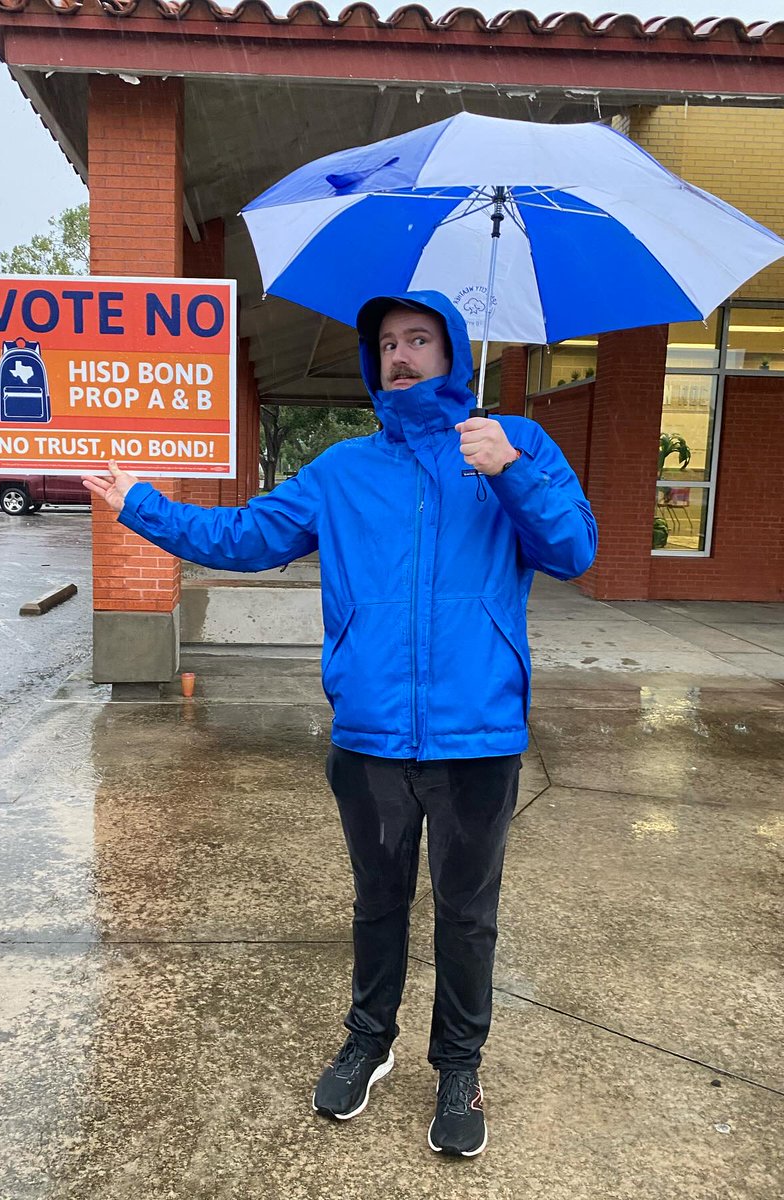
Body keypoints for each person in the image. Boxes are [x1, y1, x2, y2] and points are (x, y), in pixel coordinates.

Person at [83, 291, 597, 1157]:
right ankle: (369, 1039)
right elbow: (246, 535)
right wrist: (143, 504)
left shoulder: (512, 446)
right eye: (388, 343)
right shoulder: (343, 471)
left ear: (451, 353)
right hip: (370, 736)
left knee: (467, 915)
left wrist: (511, 469)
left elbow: (575, 551)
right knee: (377, 904)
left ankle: (459, 1066)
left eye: (419, 339)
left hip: (478, 739)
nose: (401, 355)